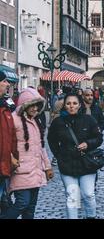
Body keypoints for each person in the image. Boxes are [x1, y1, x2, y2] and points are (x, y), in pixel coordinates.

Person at [47, 93, 104, 219]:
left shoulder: (89, 120)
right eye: (68, 103)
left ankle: (90, 216)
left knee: (88, 194)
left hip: (87, 163)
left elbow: (99, 138)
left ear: (79, 105)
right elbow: (51, 140)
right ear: (64, 106)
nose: (71, 106)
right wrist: (59, 155)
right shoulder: (58, 122)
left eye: (74, 103)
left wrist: (88, 144)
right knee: (72, 195)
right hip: (67, 165)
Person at [4, 88, 54, 219]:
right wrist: (10, 159)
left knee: (30, 208)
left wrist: (47, 167)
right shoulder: (14, 119)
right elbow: (5, 142)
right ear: (24, 105)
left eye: (37, 105)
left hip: (36, 170)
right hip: (20, 170)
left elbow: (41, 147)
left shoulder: (36, 121)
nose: (35, 109)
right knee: (22, 203)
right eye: (32, 105)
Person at [0, 71, 19, 216]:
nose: (8, 84)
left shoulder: (6, 106)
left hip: (5, 165)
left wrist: (13, 155)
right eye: (5, 81)